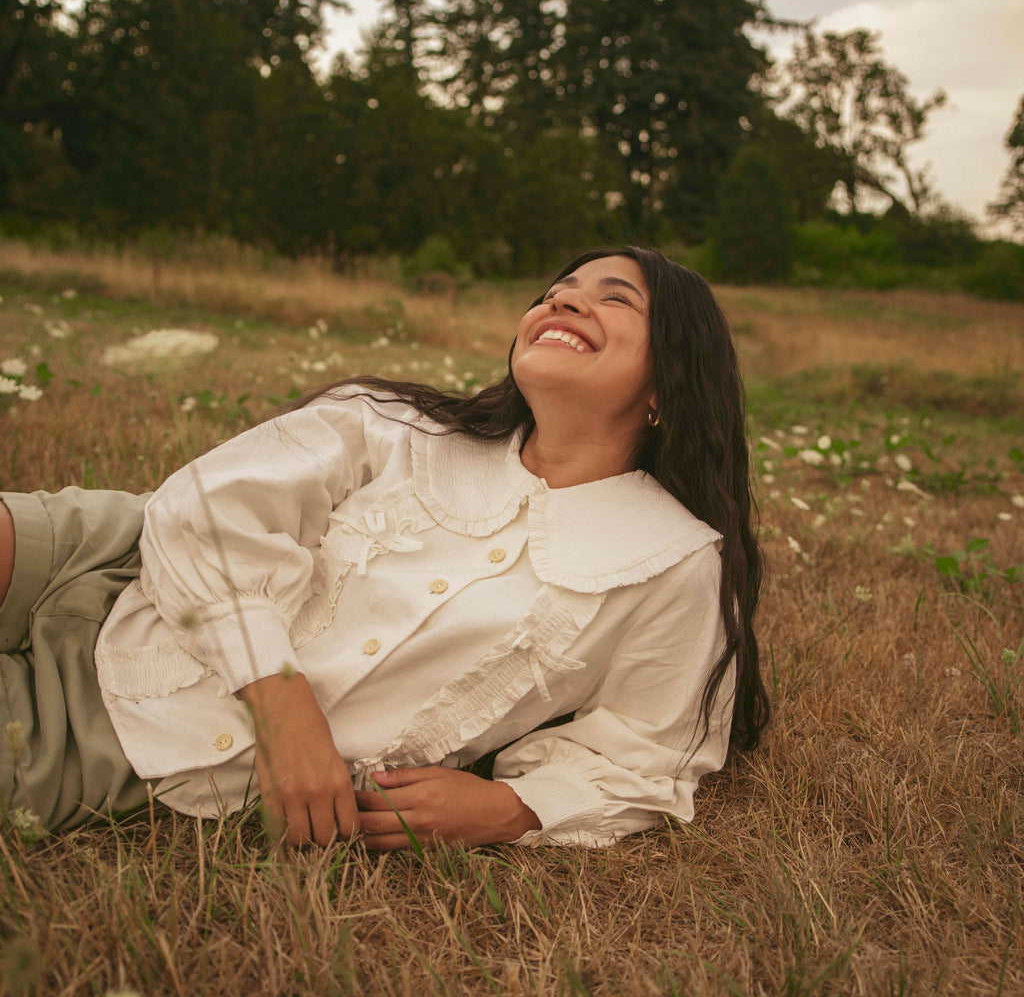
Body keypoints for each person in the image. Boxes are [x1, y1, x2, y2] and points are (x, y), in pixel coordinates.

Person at [0, 246, 768, 850]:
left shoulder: (673, 562)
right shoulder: (397, 423)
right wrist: (280, 700)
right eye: (558, 288)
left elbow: (647, 752)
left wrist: (511, 808)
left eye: (614, 297)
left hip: (150, 734)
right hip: (121, 554)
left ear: (670, 379)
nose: (563, 298)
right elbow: (203, 507)